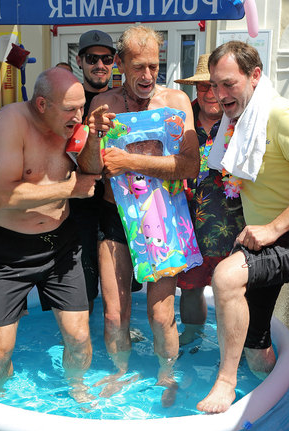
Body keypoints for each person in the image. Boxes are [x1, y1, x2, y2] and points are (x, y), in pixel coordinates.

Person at [196, 41, 289, 414]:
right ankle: (287, 404)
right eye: (214, 85)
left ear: (255, 75)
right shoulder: (237, 120)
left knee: (226, 278)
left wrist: (274, 229)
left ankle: (225, 382)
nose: (219, 94)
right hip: (263, 237)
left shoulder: (283, 116)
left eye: (229, 84)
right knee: (257, 348)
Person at [78, 25, 199, 405]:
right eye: (138, 67)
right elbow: (90, 167)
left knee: (161, 315)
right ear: (120, 64)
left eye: (154, 66)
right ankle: (120, 372)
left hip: (163, 218)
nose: (147, 76)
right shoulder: (103, 104)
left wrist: (131, 161)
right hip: (115, 220)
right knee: (114, 316)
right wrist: (95, 135)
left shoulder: (176, 102)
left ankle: (167, 375)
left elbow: (190, 165)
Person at [0, 67, 99, 399]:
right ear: (42, 104)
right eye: (70, 109)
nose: (79, 116)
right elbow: (3, 197)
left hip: (61, 245)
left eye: (82, 107)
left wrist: (96, 137)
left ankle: (75, 386)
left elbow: (92, 172)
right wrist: (70, 188)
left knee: (79, 337)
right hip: (8, 251)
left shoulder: (73, 125)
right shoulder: (9, 123)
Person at [173, 54, 245, 345]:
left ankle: (234, 351)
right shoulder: (179, 121)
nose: (210, 93)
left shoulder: (243, 123)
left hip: (233, 226)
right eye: (203, 87)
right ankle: (193, 342)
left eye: (216, 86)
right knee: (189, 290)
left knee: (235, 293)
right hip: (186, 227)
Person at [69, 29, 117, 308]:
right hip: (80, 204)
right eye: (92, 58)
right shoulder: (68, 103)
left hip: (116, 203)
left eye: (106, 59)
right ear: (80, 60)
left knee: (122, 283)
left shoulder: (123, 101)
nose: (100, 65)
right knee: (83, 283)